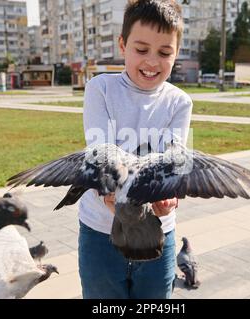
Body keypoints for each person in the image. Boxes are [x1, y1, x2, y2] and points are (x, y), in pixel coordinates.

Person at [78, 0, 193, 299]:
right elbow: (100, 154)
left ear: (176, 52)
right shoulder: (100, 88)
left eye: (165, 52)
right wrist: (110, 196)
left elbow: (174, 163)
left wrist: (168, 197)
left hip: (159, 230)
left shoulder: (180, 102)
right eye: (141, 50)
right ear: (122, 44)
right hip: (100, 230)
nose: (152, 62)